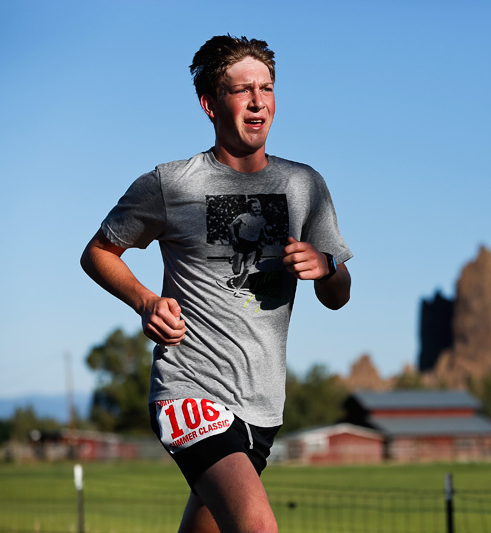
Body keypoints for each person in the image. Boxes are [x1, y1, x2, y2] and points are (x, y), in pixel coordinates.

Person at [81, 35, 352, 533]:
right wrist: (145, 301)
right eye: (242, 89)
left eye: (266, 88)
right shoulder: (170, 184)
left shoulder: (304, 185)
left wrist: (327, 266)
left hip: (264, 404)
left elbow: (338, 297)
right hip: (190, 391)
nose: (257, 101)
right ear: (209, 104)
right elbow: (98, 252)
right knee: (258, 527)